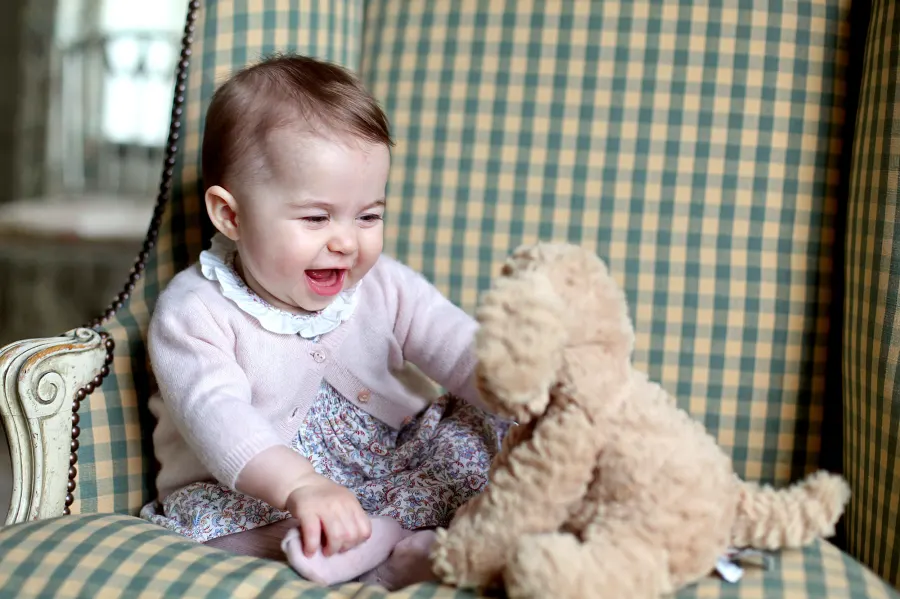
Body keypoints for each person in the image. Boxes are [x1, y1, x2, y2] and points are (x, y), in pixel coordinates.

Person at [139, 53, 508, 590]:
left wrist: (520, 390)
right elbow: (216, 415)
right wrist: (301, 486)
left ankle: (423, 534)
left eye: (369, 216)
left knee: (485, 434)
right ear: (232, 215)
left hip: (393, 454)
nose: (346, 240)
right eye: (316, 217)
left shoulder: (384, 286)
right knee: (219, 530)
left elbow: (456, 346)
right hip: (262, 485)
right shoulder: (194, 312)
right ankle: (386, 553)